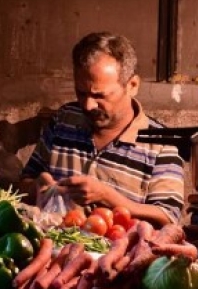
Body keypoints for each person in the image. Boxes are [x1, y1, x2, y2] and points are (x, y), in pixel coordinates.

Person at [18, 31, 184, 226]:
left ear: (132, 85)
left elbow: (168, 217)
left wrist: (108, 197)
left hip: (119, 255)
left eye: (100, 96)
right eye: (81, 93)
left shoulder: (162, 144)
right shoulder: (64, 120)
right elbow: (24, 182)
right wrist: (36, 187)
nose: (88, 105)